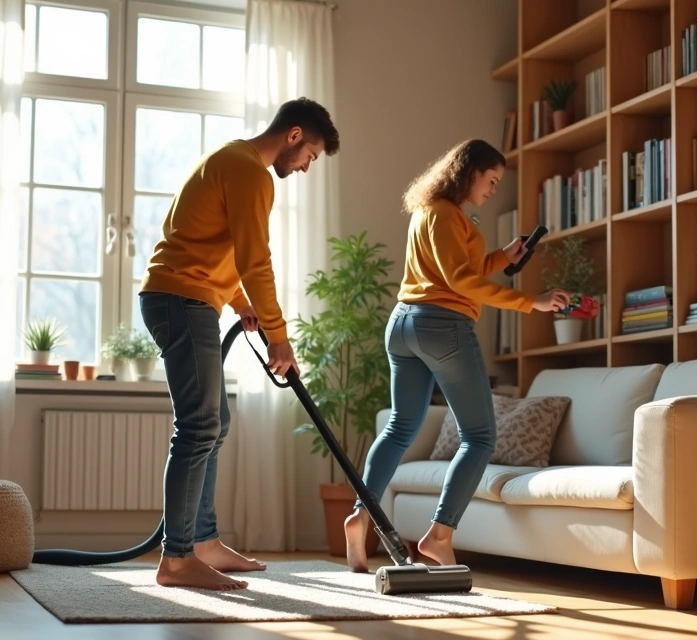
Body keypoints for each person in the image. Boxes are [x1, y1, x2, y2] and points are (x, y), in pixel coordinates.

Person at [139, 97, 340, 591]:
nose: (308, 166)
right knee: (199, 425)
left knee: (213, 422)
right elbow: (255, 259)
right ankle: (177, 558)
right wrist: (280, 339)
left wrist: (237, 301)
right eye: (311, 154)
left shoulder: (226, 159)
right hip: (182, 301)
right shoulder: (251, 172)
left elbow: (203, 241)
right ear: (293, 136)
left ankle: (203, 542)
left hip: (185, 298)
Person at [343, 139, 570, 573]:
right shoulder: (448, 214)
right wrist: (530, 302)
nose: (492, 190)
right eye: (491, 181)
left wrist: (502, 257)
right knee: (480, 437)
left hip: (404, 324)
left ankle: (361, 514)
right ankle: (440, 534)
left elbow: (453, 270)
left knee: (399, 427)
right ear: (468, 173)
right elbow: (459, 282)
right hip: (443, 327)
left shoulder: (428, 211)